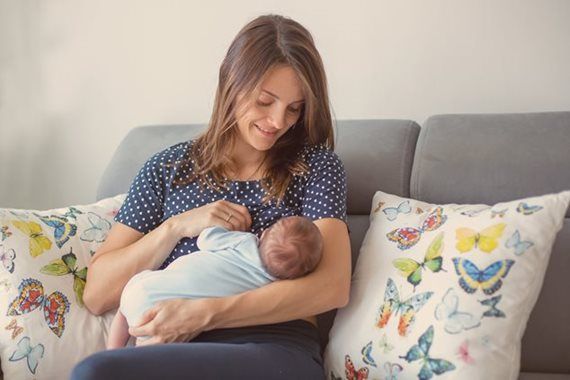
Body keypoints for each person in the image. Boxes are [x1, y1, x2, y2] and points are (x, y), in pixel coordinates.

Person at [72, 13, 350, 379]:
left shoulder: (316, 167)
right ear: (231, 84)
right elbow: (98, 293)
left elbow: (331, 287)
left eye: (294, 108)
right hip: (171, 349)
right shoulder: (166, 169)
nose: (278, 121)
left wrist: (205, 312)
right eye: (265, 102)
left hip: (272, 345)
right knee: (95, 372)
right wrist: (174, 228)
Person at [107, 215, 323, 349]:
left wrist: (228, 230)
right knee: (150, 350)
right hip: (166, 318)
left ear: (264, 233)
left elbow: (206, 239)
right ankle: (128, 361)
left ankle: (112, 351)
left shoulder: (244, 242)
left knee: (124, 311)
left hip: (143, 289)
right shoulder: (268, 287)